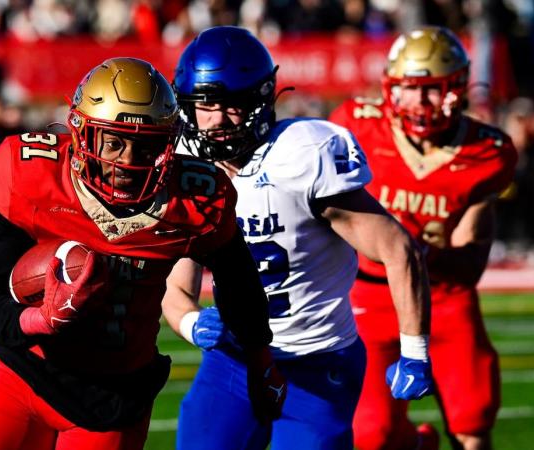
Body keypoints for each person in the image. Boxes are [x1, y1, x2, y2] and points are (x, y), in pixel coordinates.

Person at [0, 57, 285, 450]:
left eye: (146, 146)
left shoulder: (196, 198)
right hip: (22, 374)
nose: (128, 161)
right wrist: (39, 320)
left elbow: (239, 280)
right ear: (82, 133)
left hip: (113, 397)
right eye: (114, 142)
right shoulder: (30, 176)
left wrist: (259, 355)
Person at [162, 26, 432, 450]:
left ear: (261, 98)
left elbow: (399, 250)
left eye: (231, 104)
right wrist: (192, 322)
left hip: (317, 360)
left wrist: (414, 350)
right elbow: (176, 284)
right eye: (204, 105)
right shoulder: (189, 168)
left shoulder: (303, 154)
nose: (215, 119)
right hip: (234, 360)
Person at [329, 26, 518, 450]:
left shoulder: (487, 153)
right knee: (371, 434)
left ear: (456, 89)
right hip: (368, 298)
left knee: (472, 420)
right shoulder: (354, 126)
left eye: (430, 89)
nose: (418, 102)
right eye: (408, 89)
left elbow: (469, 266)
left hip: (444, 296)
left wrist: (418, 252)